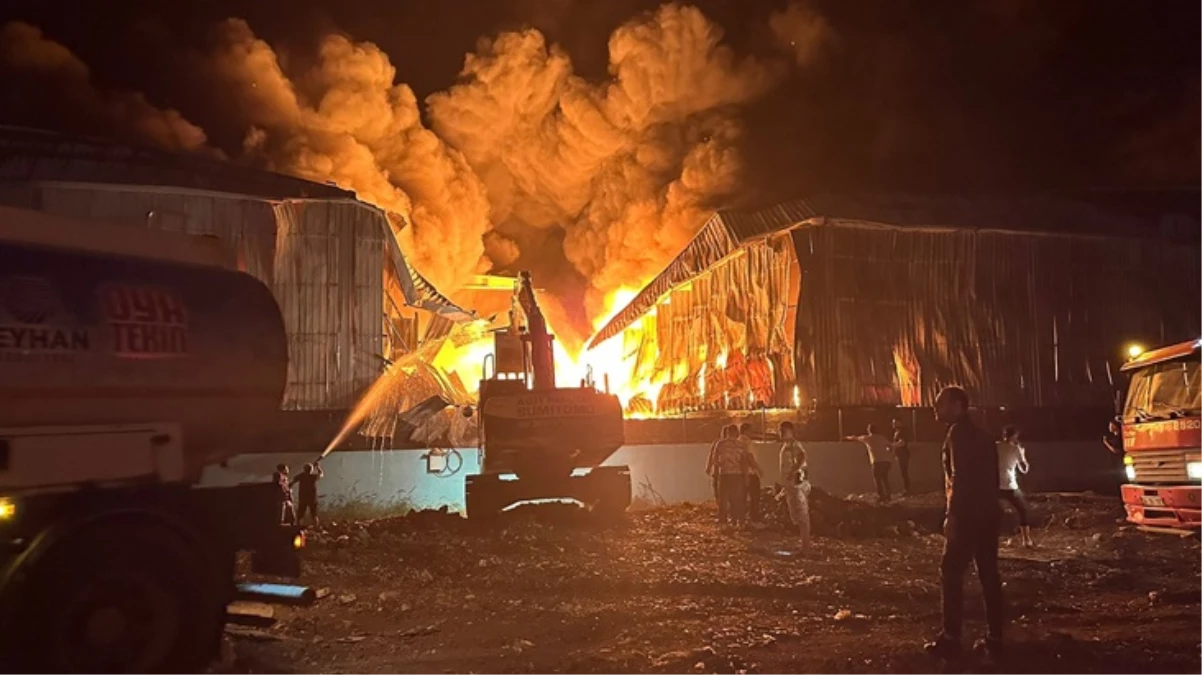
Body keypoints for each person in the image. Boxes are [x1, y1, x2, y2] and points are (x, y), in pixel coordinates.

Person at [925, 386, 1005, 661]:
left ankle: (951, 638)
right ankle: (996, 638)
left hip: (968, 515)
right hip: (988, 514)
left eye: (941, 404)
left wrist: (953, 517)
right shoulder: (984, 436)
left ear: (958, 405)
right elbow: (992, 480)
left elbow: (958, 479)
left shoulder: (958, 434)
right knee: (989, 574)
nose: (936, 409)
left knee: (950, 570)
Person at [713, 425, 760, 526]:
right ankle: (740, 522)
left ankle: (724, 522)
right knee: (738, 499)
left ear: (728, 432)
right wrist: (746, 477)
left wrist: (721, 468)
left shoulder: (720, 444)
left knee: (724, 499)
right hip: (737, 475)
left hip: (725, 474)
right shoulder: (740, 445)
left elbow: (715, 459)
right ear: (736, 433)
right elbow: (744, 462)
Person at [997, 426, 1033, 548]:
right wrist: (1023, 454)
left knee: (990, 512)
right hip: (1010, 486)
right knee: (1023, 510)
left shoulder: (995, 446)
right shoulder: (1016, 449)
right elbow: (1024, 470)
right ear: (1014, 436)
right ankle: (1026, 540)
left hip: (995, 486)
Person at [778, 421, 811, 552]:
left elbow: (802, 456)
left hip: (797, 485)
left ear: (791, 431)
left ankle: (806, 548)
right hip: (791, 485)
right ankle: (804, 546)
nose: (781, 433)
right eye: (780, 430)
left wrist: (794, 471)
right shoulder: (786, 446)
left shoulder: (794, 445)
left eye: (784, 430)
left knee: (802, 516)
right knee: (797, 517)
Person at [847, 424, 893, 503]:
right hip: (886, 461)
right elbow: (889, 445)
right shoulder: (882, 437)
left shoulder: (867, 438)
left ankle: (881, 496)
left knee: (877, 479)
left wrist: (848, 437)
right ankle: (888, 496)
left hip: (877, 461)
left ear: (869, 430)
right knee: (885, 479)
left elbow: (856, 438)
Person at [739, 422, 762, 522]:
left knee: (742, 498)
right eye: (750, 430)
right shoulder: (747, 442)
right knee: (755, 497)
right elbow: (749, 457)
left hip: (740, 473)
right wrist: (758, 469)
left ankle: (742, 519)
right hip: (751, 473)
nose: (752, 432)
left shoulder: (737, 441)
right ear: (746, 431)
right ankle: (754, 519)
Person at [291, 461, 325, 527]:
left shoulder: (301, 476)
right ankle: (316, 527)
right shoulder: (312, 477)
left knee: (300, 514)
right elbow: (321, 474)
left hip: (303, 497)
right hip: (312, 498)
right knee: (314, 514)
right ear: (311, 470)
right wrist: (318, 467)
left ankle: (298, 527)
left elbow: (293, 481)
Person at [892, 418, 912, 494]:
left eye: (895, 422)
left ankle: (906, 488)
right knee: (903, 471)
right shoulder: (897, 432)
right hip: (900, 453)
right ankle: (906, 488)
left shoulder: (902, 432)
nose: (893, 424)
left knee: (904, 471)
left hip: (903, 454)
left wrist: (892, 445)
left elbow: (902, 442)